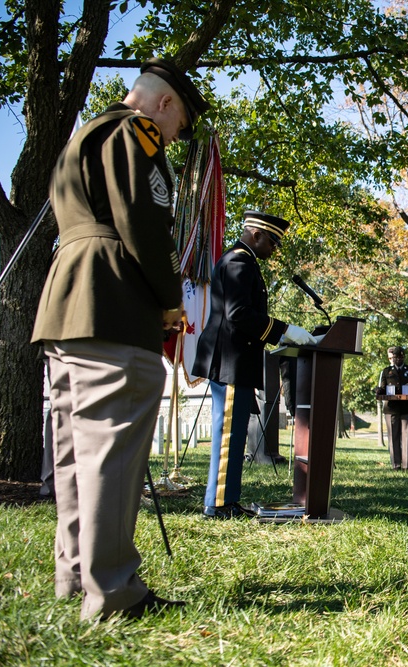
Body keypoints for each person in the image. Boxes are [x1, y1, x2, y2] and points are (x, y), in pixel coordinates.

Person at [31, 58, 209, 620]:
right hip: (115, 304)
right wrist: (170, 300)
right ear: (163, 105)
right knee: (109, 452)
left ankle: (76, 580)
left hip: (68, 306)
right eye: (180, 124)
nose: (176, 136)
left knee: (73, 456)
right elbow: (143, 224)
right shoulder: (136, 133)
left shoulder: (83, 136)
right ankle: (112, 593)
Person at [192, 211, 317, 518]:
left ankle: (226, 500)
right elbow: (238, 314)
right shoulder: (239, 261)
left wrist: (278, 335)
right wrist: (283, 330)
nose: (274, 250)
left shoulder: (243, 261)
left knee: (234, 435)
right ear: (257, 234)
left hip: (236, 359)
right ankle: (219, 504)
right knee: (229, 436)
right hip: (230, 361)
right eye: (273, 242)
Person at [377, 346, 408, 470]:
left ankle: (406, 465)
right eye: (395, 357)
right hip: (391, 408)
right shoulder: (386, 371)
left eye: (400, 357)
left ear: (404, 357)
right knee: (393, 436)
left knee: (406, 437)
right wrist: (379, 390)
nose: (398, 359)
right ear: (392, 358)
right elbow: (383, 388)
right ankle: (396, 464)